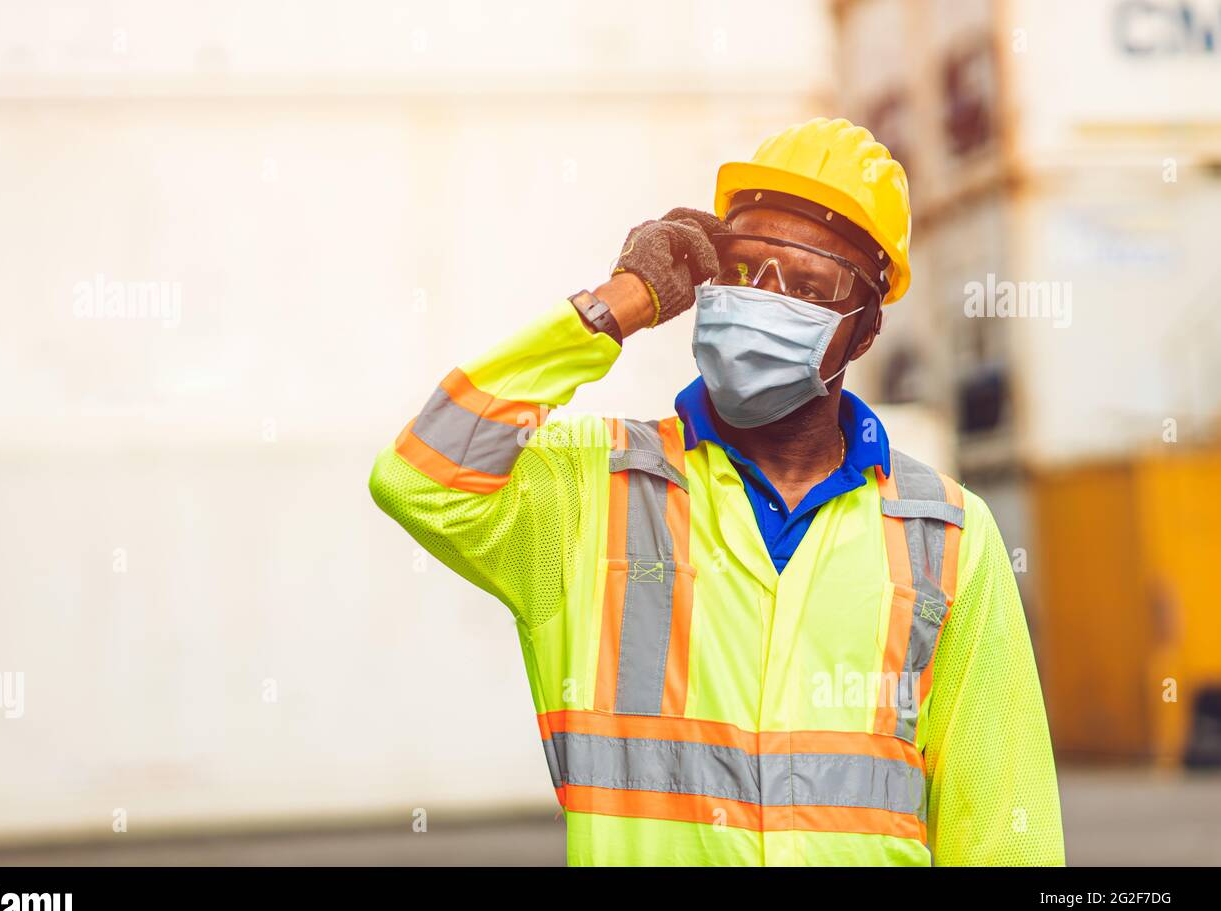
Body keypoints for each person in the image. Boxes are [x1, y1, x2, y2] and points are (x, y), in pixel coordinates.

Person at [370, 118, 1065, 866]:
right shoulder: (593, 489)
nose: (766, 299)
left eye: (807, 286)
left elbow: (1003, 828)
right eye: (743, 271)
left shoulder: (947, 535)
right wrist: (615, 308)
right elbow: (420, 477)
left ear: (864, 331)